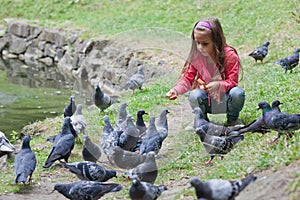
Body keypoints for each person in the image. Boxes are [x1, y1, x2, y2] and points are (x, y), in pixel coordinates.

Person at [166, 17, 245, 126]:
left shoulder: (230, 56)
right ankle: (201, 121)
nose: (200, 47)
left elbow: (233, 82)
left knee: (237, 93)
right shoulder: (196, 56)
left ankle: (233, 119)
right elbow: (188, 79)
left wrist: (219, 85)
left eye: (205, 44)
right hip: (207, 101)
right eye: (197, 42)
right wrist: (176, 90)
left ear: (216, 41)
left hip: (225, 100)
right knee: (194, 95)